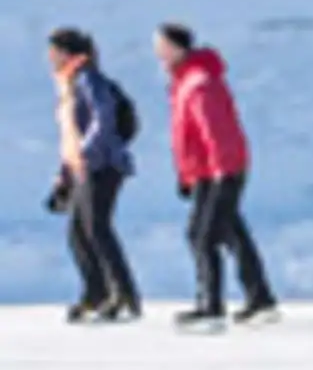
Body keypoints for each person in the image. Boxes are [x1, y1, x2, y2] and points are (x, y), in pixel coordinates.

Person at [156, 22, 278, 329]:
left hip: (220, 171)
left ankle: (211, 307)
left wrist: (223, 172)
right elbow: (189, 137)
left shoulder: (199, 83)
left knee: (203, 235)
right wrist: (187, 175)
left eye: (162, 46)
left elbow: (217, 131)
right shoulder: (184, 82)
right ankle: (260, 299)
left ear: (178, 48)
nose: (158, 52)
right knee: (230, 232)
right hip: (206, 171)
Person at [47, 28, 142, 323]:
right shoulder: (68, 85)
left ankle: (124, 295)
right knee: (77, 232)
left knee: (97, 228)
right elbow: (71, 136)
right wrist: (63, 177)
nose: (49, 57)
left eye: (53, 51)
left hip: (103, 164)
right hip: (83, 167)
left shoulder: (88, 78)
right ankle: (96, 293)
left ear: (67, 53)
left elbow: (104, 117)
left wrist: (87, 152)